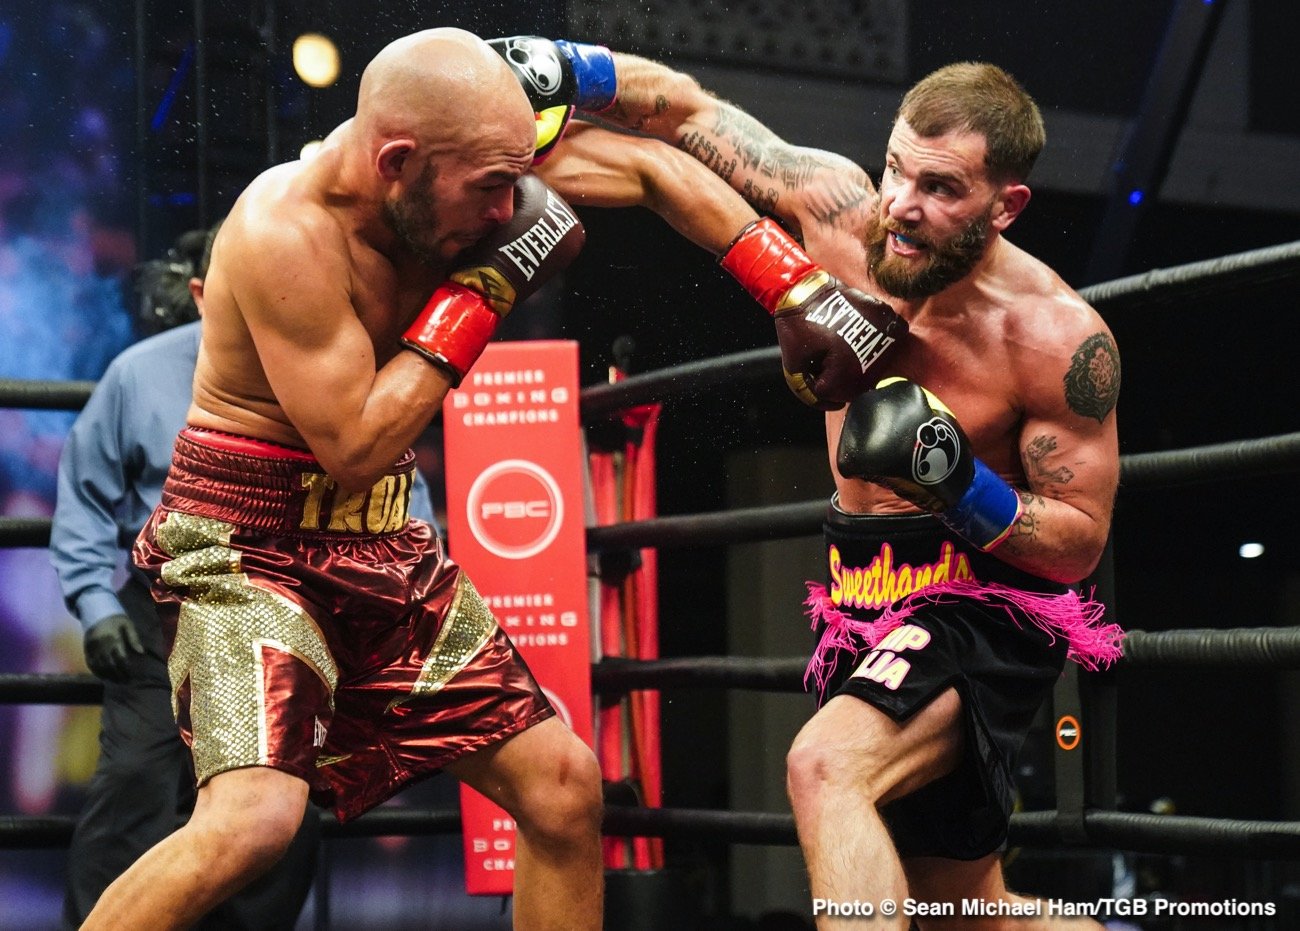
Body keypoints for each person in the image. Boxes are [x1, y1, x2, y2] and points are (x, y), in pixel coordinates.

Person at [79, 27, 854, 931]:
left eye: (509, 185)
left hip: (379, 541)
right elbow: (359, 443)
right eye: (489, 189)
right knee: (253, 821)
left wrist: (795, 295)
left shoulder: (476, 145)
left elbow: (652, 166)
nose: (505, 210)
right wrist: (490, 282)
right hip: (249, 547)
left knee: (563, 787)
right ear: (398, 161)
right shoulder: (282, 231)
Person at [519, 40, 1125, 926]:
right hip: (861, 589)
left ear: (1007, 205)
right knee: (968, 906)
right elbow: (685, 114)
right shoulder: (841, 212)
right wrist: (563, 76)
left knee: (824, 767)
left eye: (941, 189)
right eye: (896, 171)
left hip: (981, 604)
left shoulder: (1056, 339)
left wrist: (961, 484)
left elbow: (1078, 542)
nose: (902, 208)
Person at [51, 222, 342, 930]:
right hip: (164, 605)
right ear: (202, 293)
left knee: (275, 806)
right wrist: (97, 606)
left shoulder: (334, 370)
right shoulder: (141, 373)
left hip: (287, 605)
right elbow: (85, 491)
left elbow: (397, 502)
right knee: (135, 787)